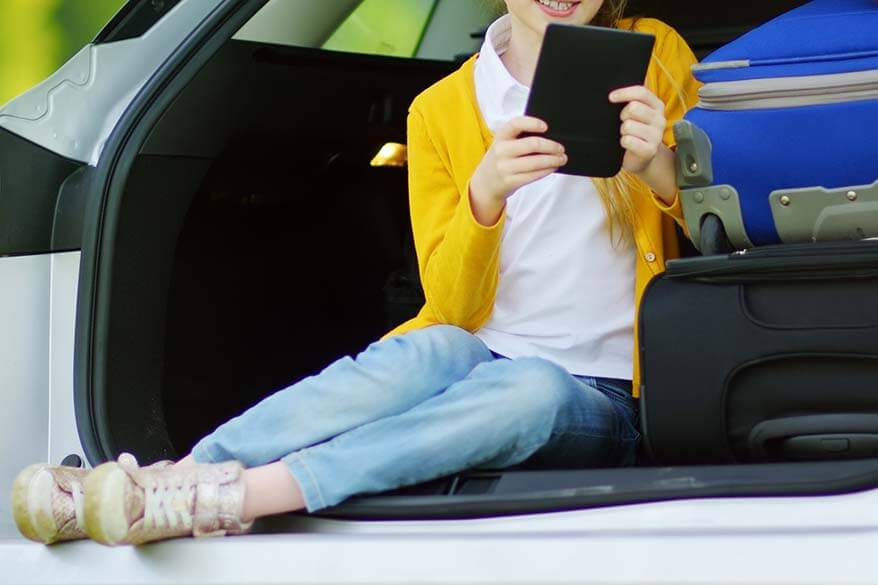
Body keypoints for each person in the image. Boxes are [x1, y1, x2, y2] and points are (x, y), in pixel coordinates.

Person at [12, 0, 700, 546]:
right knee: (428, 347)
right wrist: (485, 197)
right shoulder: (440, 109)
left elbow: (732, 229)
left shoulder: (657, 54)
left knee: (531, 387)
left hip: (609, 397)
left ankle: (246, 495)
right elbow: (452, 302)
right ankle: (168, 481)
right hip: (482, 352)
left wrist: (659, 170)